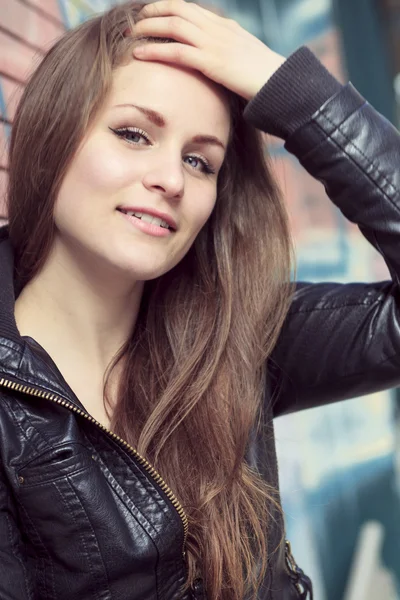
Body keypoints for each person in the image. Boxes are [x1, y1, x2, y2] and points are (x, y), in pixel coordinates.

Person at [0, 0, 398, 598]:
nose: (172, 179)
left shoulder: (234, 336)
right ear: (53, 137)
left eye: (199, 160)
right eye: (133, 134)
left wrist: (290, 91)